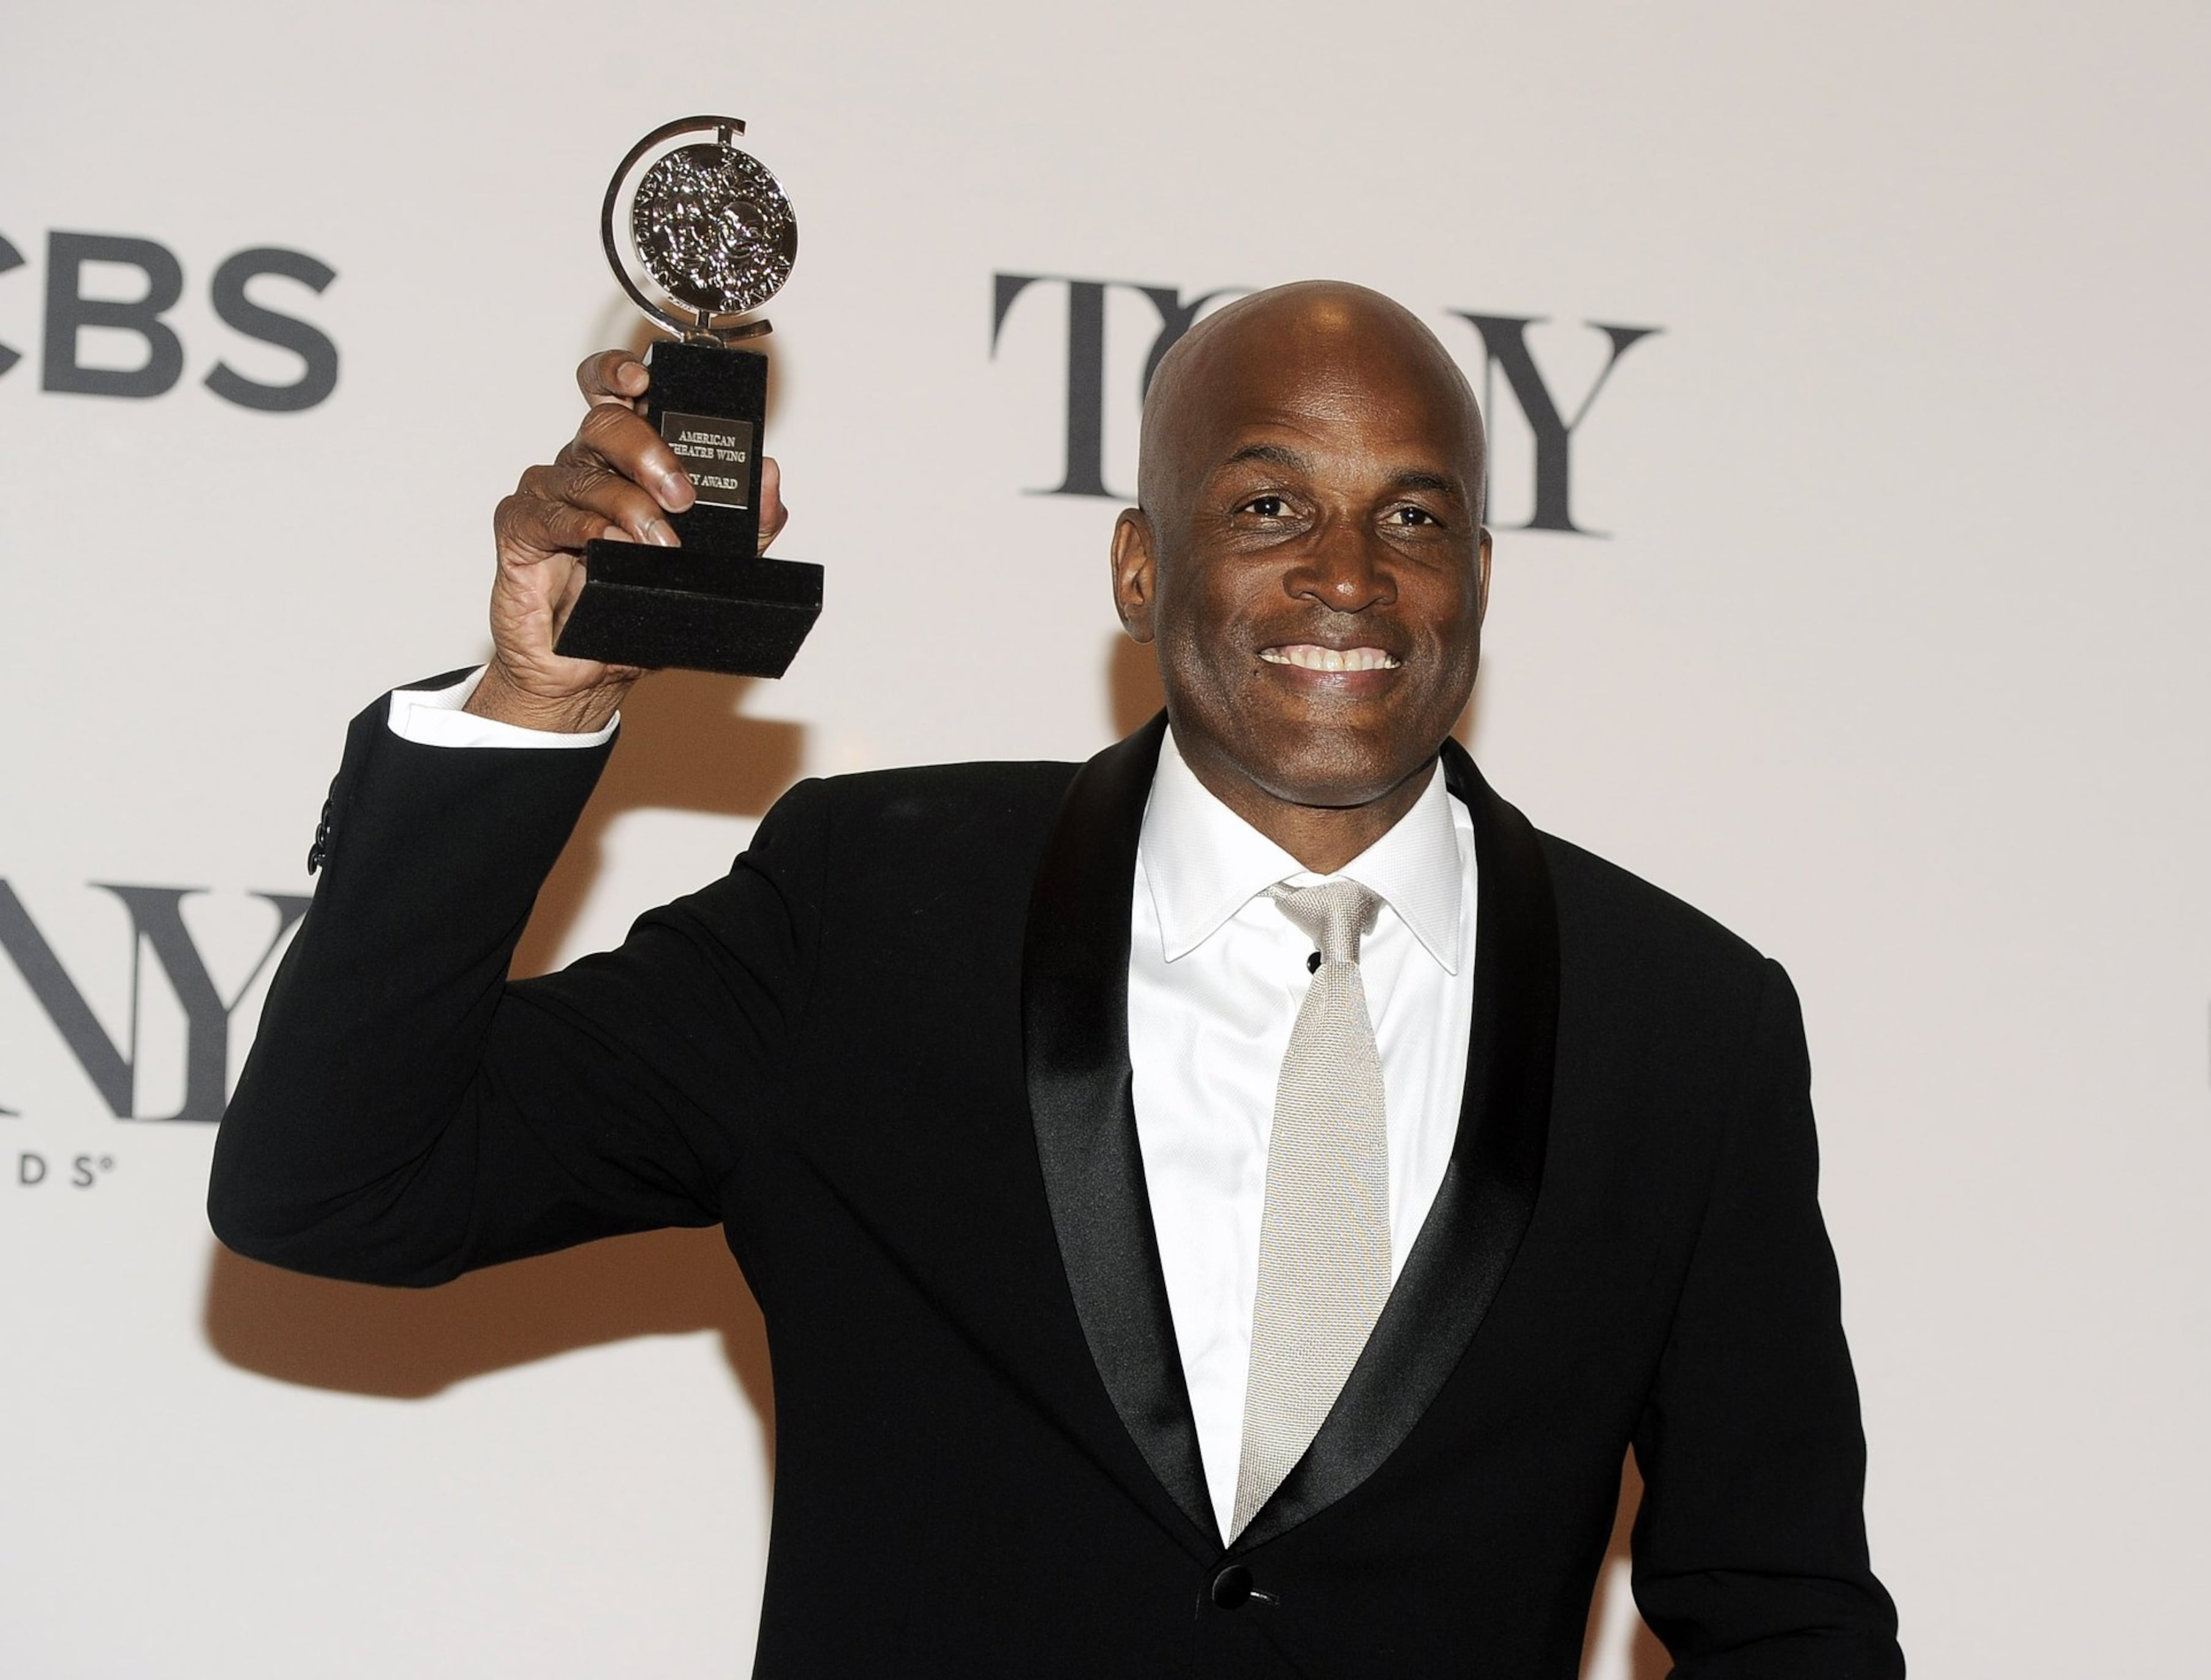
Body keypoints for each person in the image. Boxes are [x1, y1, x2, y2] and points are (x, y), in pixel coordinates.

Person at [211, 281, 1903, 1676]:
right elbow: (339, 1188)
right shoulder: (873, 914)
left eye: (1414, 516)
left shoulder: (1684, 1027)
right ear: (1138, 565)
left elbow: (1784, 1616)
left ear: (1476, 573)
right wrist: (541, 696)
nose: (1347, 578)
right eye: (1265, 506)